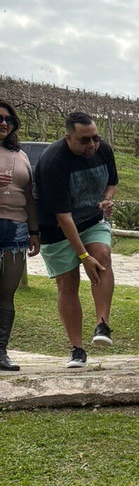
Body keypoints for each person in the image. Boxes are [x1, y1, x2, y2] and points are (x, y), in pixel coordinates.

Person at [33, 112, 118, 368]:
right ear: (68, 137)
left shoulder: (102, 148)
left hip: (91, 219)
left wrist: (107, 198)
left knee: (102, 256)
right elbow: (63, 217)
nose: (92, 145)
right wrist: (83, 256)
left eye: (95, 137)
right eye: (85, 141)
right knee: (67, 283)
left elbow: (112, 181)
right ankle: (77, 349)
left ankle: (102, 324)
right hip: (57, 228)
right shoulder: (53, 162)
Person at [0, 100, 40, 371]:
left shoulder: (21, 154)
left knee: (7, 292)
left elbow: (29, 196)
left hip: (16, 228)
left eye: (8, 120)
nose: (4, 123)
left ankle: (1, 351)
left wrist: (34, 231)